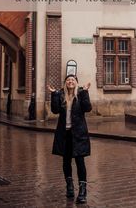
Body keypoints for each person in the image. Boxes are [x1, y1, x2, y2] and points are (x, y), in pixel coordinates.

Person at [48, 75, 92, 204]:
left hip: (79, 134)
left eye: (73, 80)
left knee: (80, 161)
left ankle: (83, 191)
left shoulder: (80, 94)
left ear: (76, 83)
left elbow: (88, 108)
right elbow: (55, 110)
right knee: (66, 162)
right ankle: (70, 186)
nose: (70, 81)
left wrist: (85, 92)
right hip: (64, 134)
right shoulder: (61, 95)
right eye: (68, 80)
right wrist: (54, 94)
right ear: (65, 83)